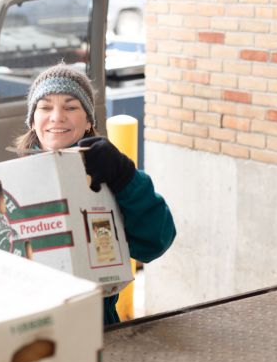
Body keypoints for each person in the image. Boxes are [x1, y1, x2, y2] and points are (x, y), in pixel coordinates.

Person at [15, 63, 176, 325]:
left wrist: (125, 177)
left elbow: (156, 241)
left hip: (98, 327)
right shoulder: (10, 182)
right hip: (29, 330)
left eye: (70, 107)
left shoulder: (112, 173)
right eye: (45, 107)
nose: (57, 116)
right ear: (32, 119)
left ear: (89, 120)